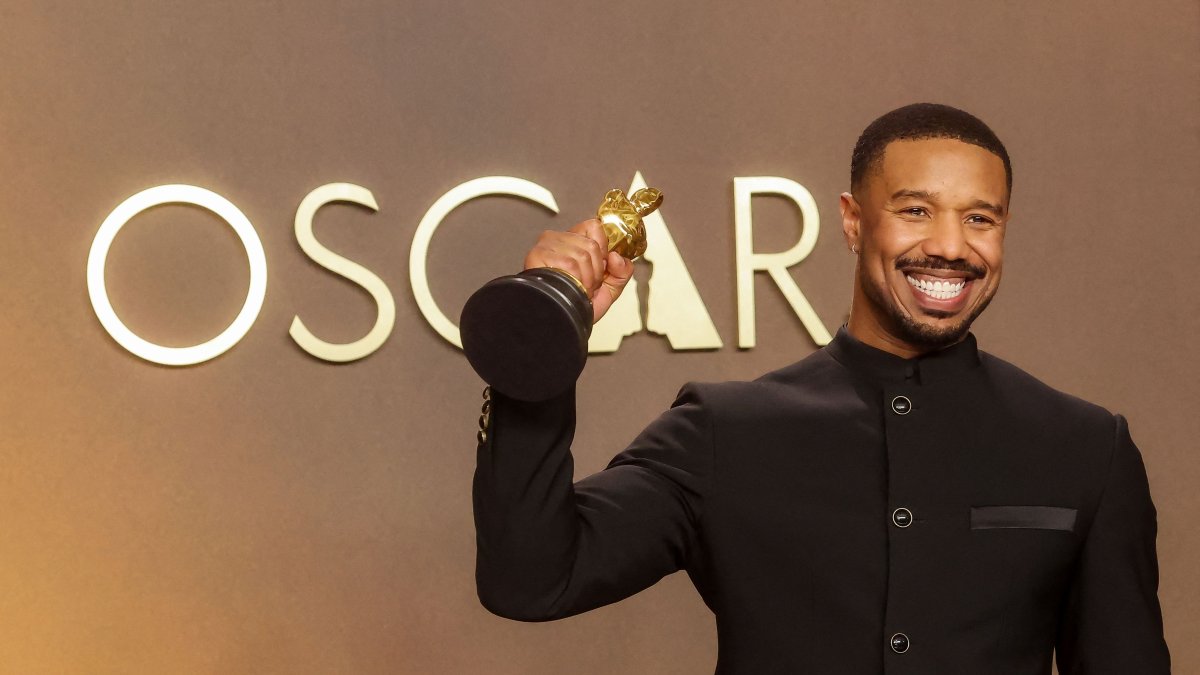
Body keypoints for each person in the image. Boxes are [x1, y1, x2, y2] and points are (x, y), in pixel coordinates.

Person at [471, 103, 1170, 674]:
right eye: (916, 210)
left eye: (979, 218)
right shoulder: (724, 431)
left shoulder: (1086, 446)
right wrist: (538, 344)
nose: (951, 246)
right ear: (852, 220)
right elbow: (531, 580)